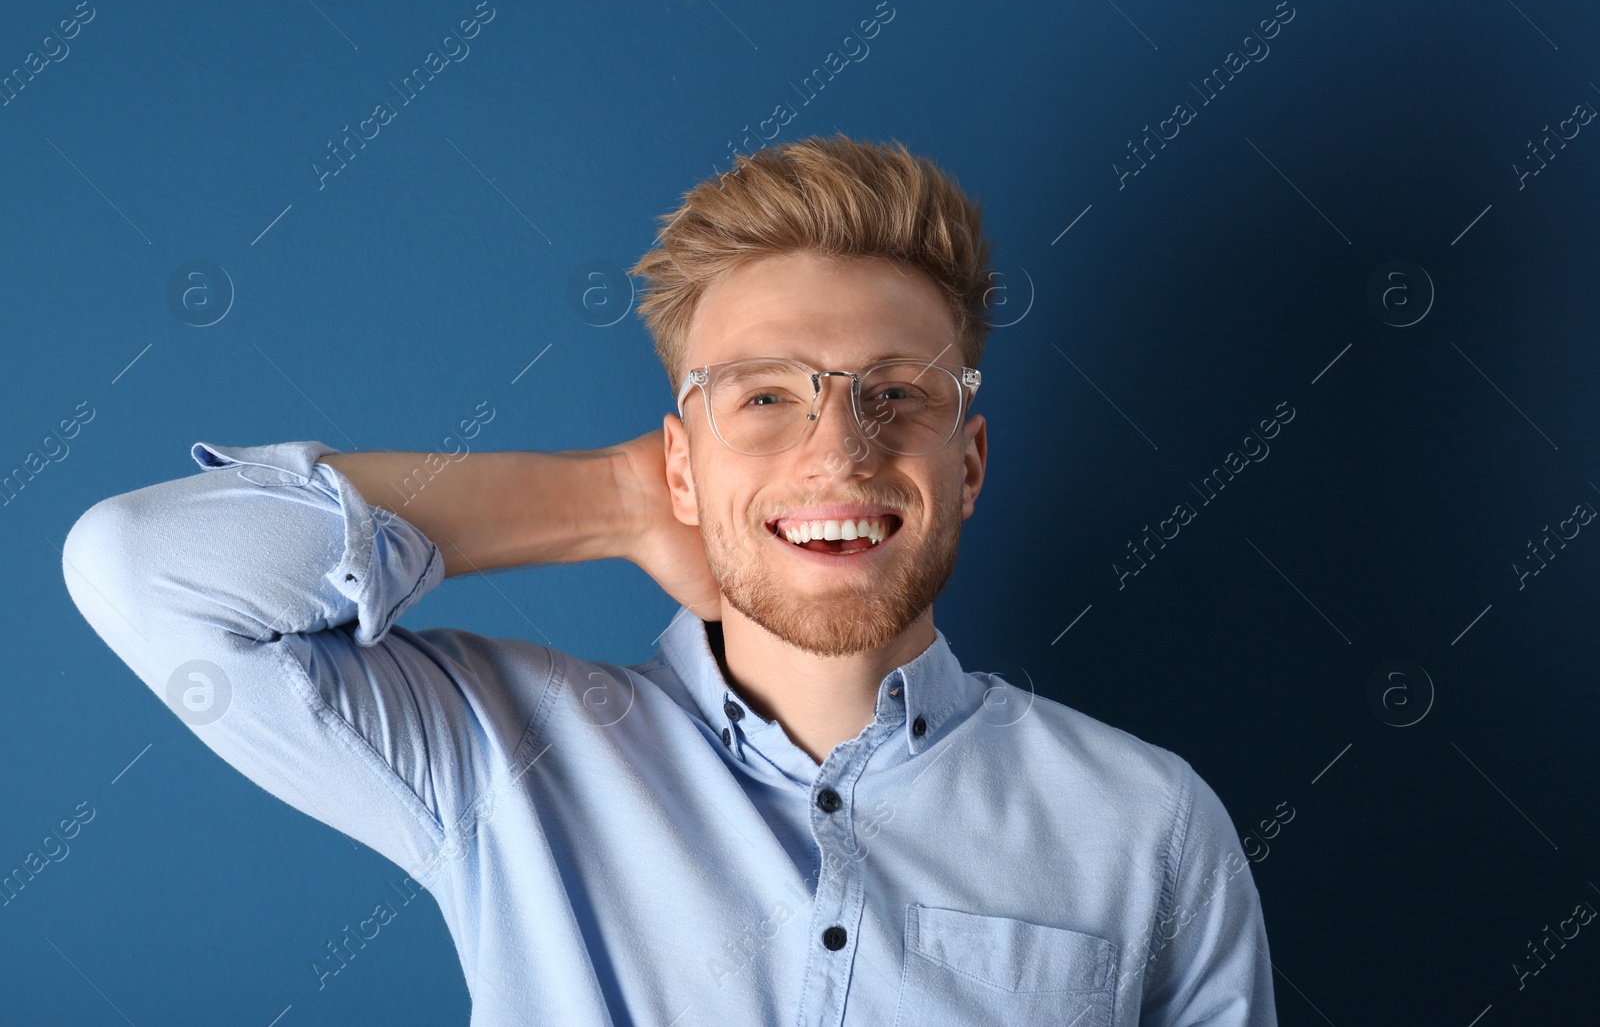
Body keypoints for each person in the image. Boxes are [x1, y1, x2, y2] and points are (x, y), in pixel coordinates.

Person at [62, 133, 1277, 1025]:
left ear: (967, 460)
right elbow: (146, 566)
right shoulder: (502, 760)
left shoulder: (1151, 826)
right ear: (681, 460)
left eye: (893, 395)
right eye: (764, 397)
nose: (838, 451)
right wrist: (615, 498)